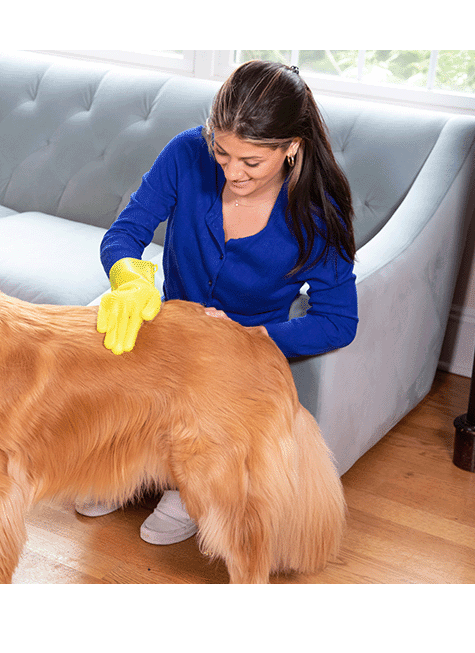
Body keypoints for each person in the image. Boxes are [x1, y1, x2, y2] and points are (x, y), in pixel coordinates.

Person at [79, 60, 358, 544]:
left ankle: (187, 488)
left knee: (207, 408)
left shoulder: (315, 215)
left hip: (243, 353)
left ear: (292, 148)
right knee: (101, 347)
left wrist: (248, 336)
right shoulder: (187, 153)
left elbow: (338, 321)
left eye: (252, 162)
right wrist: (129, 278)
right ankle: (125, 468)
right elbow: (126, 232)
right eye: (222, 153)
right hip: (172, 328)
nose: (232, 173)